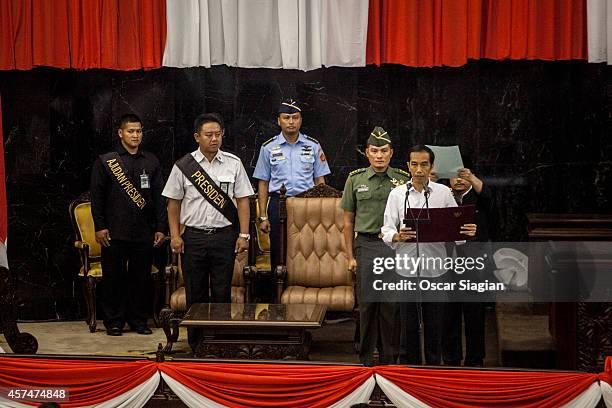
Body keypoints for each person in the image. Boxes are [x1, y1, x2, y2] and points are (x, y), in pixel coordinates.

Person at [162, 113, 254, 349]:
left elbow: (243, 200)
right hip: (193, 237)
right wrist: (174, 235)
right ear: (197, 137)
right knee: (196, 292)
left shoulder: (233, 163)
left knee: (222, 292)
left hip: (224, 236)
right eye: (208, 135)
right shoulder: (184, 166)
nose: (214, 139)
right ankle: (197, 343)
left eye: (218, 134)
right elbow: (173, 204)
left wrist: (244, 235)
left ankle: (220, 341)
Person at [381, 145, 476, 365]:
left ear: (431, 166)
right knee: (408, 329)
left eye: (424, 164)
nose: (419, 169)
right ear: (408, 166)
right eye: (414, 164)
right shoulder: (397, 194)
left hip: (436, 270)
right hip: (406, 270)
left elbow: (457, 231)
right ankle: (408, 374)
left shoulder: (443, 193)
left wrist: (467, 231)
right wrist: (397, 237)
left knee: (435, 328)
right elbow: (386, 230)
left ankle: (432, 372)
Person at [90, 113, 167, 336]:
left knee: (140, 279)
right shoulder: (106, 161)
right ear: (120, 133)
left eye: (139, 131)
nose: (135, 135)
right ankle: (114, 321)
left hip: (143, 231)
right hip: (113, 231)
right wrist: (100, 226)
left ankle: (138, 320)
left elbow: (160, 196)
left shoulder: (151, 161)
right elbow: (97, 197)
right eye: (131, 131)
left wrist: (161, 227)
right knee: (113, 279)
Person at [341, 127, 410, 365]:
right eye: (374, 151)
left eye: (383, 151)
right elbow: (348, 221)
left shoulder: (403, 180)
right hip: (366, 245)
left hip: (394, 247)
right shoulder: (355, 179)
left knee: (391, 305)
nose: (379, 155)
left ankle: (390, 361)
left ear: (391, 153)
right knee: (368, 305)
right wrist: (350, 256)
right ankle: (366, 360)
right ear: (367, 154)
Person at [253, 99, 331, 299]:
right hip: (279, 206)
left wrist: (321, 210)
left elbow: (320, 181)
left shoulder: (313, 146)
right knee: (279, 254)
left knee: (309, 250)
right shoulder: (268, 148)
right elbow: (262, 183)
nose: (291, 122)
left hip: (307, 206)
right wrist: (262, 216)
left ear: (301, 120)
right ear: (278, 121)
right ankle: (278, 300)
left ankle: (305, 295)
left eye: (295, 118)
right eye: (286, 118)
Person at [443, 167, 494, 367]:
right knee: (448, 315)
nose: (459, 180)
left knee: (474, 315)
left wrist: (471, 178)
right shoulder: (441, 197)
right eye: (455, 176)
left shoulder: (479, 198)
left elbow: (490, 199)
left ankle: (475, 360)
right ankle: (451, 359)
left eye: (464, 176)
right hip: (446, 263)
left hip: (474, 265)